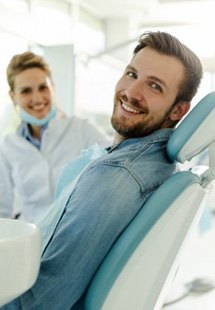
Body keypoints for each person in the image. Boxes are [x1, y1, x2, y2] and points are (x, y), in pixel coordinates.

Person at [0, 30, 203, 310]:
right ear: (13, 97)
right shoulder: (146, 164)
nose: (132, 93)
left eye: (154, 86)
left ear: (178, 110)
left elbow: (41, 302)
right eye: (131, 74)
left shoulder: (117, 173)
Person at [0, 51, 110, 223]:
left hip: (73, 228)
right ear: (13, 97)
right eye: (26, 91)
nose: (37, 98)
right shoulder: (8, 146)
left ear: (53, 87)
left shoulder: (81, 128)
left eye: (43, 87)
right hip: (31, 237)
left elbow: (115, 158)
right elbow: (3, 209)